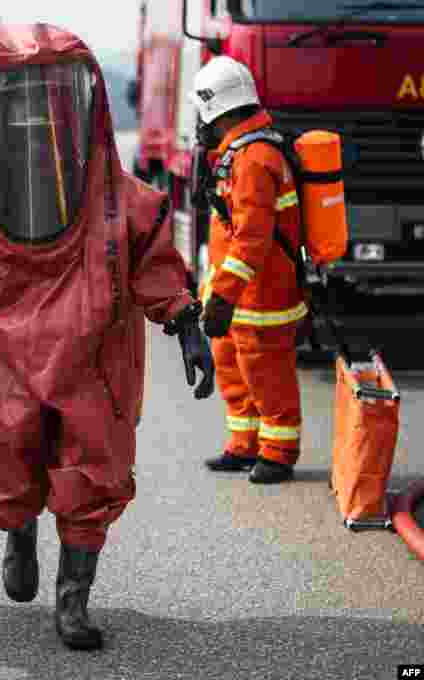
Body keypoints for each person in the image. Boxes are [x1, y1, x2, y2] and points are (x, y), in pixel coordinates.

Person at [0, 23, 214, 651]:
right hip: (6, 357)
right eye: (19, 108)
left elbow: (153, 262)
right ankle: (19, 532)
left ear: (73, 105)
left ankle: (72, 601)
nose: (33, 123)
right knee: (6, 459)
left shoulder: (117, 196)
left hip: (95, 356)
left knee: (92, 470)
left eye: (46, 105)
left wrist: (184, 320)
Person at [189, 56, 305, 485]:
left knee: (267, 373)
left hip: (263, 296)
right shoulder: (239, 153)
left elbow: (252, 240)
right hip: (240, 293)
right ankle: (245, 444)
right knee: (233, 367)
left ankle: (278, 452)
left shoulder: (255, 159)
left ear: (218, 109)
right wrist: (218, 292)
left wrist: (222, 297)